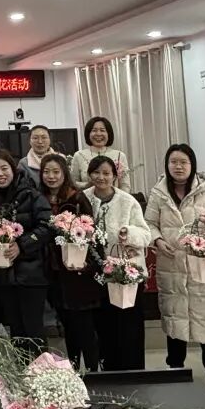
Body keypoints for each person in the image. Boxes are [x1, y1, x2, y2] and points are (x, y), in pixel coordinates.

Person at [146, 144, 205, 398]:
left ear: (192, 165)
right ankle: (175, 373)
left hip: (203, 271)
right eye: (173, 162)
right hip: (172, 266)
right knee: (175, 322)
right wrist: (157, 240)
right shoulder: (159, 193)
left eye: (183, 162)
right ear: (167, 165)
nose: (178, 167)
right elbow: (148, 223)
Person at [84, 155, 150, 370]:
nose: (101, 177)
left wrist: (128, 233)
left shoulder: (128, 201)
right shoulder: (83, 198)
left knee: (129, 326)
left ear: (114, 176)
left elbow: (145, 234)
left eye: (106, 173)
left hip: (125, 273)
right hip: (97, 275)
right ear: (89, 174)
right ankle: (109, 371)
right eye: (96, 172)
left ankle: (133, 371)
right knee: (104, 326)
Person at [0, 150, 53, 353]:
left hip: (32, 275)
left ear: (13, 169)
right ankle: (20, 371)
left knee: (34, 330)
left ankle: (42, 370)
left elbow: (47, 225)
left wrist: (22, 245)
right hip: (3, 276)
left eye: (4, 168)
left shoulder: (31, 194)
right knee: (16, 331)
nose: (0, 174)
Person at [39, 153, 101, 372]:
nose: (51, 176)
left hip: (78, 273)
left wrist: (86, 263)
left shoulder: (77, 199)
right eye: (46, 172)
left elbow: (90, 232)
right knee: (68, 327)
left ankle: (93, 372)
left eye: (56, 172)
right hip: (54, 273)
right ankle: (74, 371)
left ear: (64, 173)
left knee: (84, 327)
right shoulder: (39, 198)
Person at [71, 117, 131, 191]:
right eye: (94, 130)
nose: (98, 134)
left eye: (102, 130)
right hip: (87, 197)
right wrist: (87, 185)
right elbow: (72, 184)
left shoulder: (119, 155)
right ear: (88, 133)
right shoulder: (79, 155)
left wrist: (119, 198)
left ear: (108, 134)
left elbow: (125, 186)